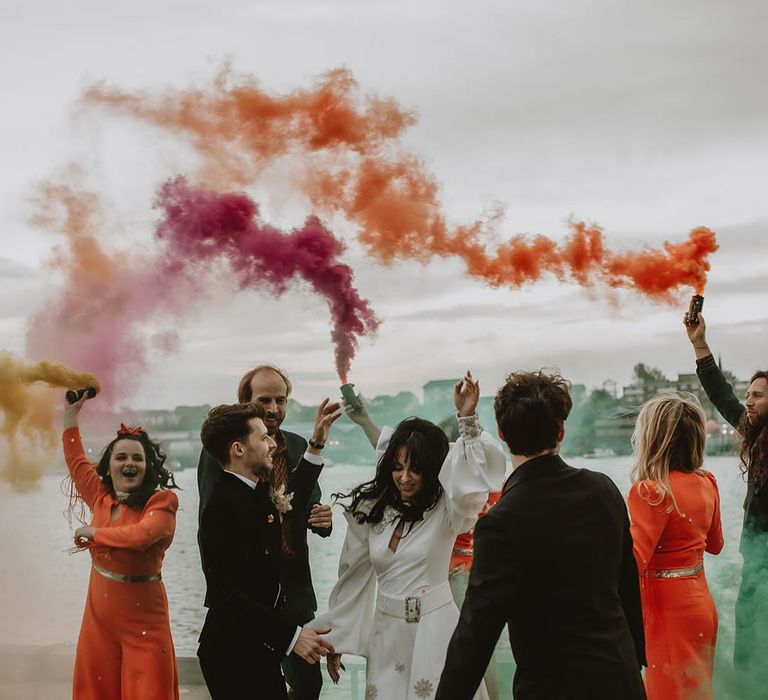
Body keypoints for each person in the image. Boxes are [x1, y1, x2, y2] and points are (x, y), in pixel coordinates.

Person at [436, 370, 646, 700]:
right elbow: (627, 584)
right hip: (620, 677)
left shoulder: (501, 521)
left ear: (503, 435)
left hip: (552, 687)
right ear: (561, 431)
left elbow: (476, 635)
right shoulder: (604, 489)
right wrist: (635, 659)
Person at [312, 371, 506, 700]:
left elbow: (472, 477)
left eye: (415, 469)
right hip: (386, 633)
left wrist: (467, 418)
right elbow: (353, 576)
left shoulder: (449, 509)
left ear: (432, 470)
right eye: (397, 467)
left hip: (438, 630)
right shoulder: (372, 511)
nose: (404, 478)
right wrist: (338, 638)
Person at [197, 364, 332, 700]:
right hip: (237, 641)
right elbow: (227, 590)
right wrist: (290, 636)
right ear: (238, 449)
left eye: (281, 400)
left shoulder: (255, 494)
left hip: (265, 628)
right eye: (263, 438)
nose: (272, 445)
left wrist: (315, 446)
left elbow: (288, 504)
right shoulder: (225, 505)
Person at [62, 392, 180, 700]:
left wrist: (94, 533)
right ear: (109, 466)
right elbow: (76, 462)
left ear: (147, 466)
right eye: (121, 457)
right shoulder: (101, 497)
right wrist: (70, 415)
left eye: (137, 458)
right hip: (99, 622)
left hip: (145, 624)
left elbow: (141, 536)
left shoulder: (162, 501)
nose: (130, 463)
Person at [685, 312, 768, 682]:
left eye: (758, 396)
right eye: (748, 395)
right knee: (749, 636)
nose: (748, 402)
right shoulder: (754, 435)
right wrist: (700, 344)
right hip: (755, 558)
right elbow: (721, 395)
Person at [627, 393, 724, 698]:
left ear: (652, 439)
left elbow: (631, 564)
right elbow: (716, 545)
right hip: (701, 605)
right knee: (696, 691)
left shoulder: (651, 492)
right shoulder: (707, 481)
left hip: (667, 613)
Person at [439, 412, 503, 700]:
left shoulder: (448, 490)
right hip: (482, 575)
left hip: (452, 577)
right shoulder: (497, 485)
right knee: (482, 651)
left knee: (459, 651)